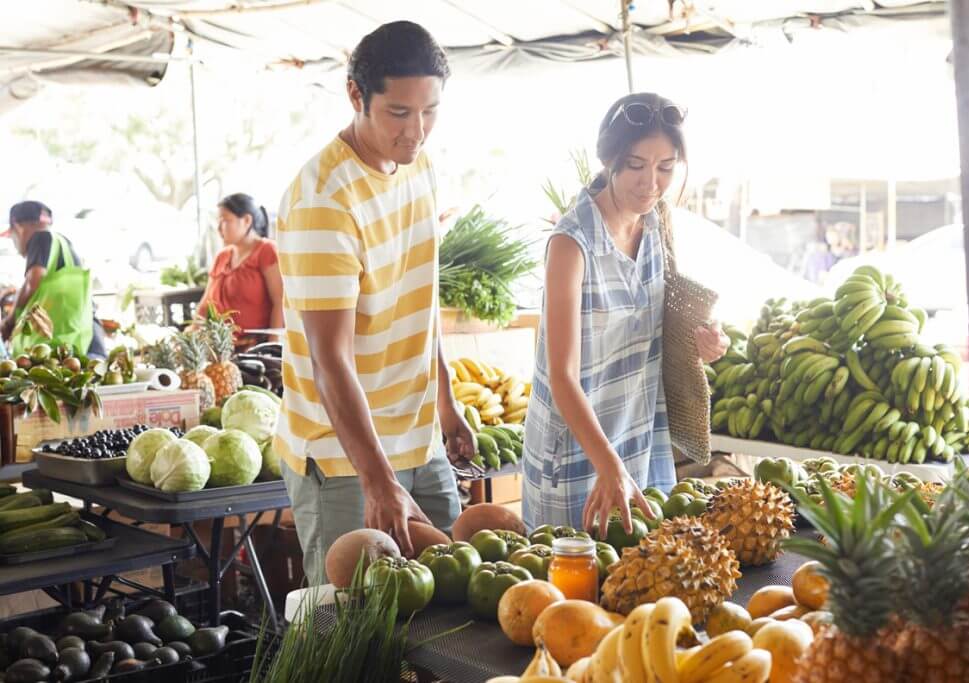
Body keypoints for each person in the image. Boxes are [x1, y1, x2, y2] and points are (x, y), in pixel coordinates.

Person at [273, 21, 475, 581]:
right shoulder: (324, 201)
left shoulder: (420, 167)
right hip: (345, 459)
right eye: (399, 113)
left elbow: (420, 292)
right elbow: (328, 358)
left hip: (417, 437)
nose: (416, 132)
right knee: (350, 634)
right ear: (356, 96)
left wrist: (445, 398)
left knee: (449, 607)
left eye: (429, 111)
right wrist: (375, 477)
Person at [521, 93, 730, 536]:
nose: (650, 182)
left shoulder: (656, 226)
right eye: (636, 164)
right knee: (570, 592)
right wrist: (607, 465)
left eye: (665, 167)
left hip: (640, 441)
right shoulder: (571, 245)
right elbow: (561, 376)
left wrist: (705, 341)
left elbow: (658, 323)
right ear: (609, 158)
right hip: (579, 454)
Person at [0, 201, 105, 358]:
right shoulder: (63, 243)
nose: (15, 244)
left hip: (63, 346)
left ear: (18, 227)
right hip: (88, 336)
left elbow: (33, 281)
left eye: (12, 236)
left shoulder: (40, 237)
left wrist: (9, 322)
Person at [195, 193, 283, 345]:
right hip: (219, 347)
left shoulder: (266, 250)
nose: (219, 228)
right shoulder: (222, 257)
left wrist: (273, 346)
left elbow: (280, 302)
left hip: (255, 348)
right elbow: (205, 305)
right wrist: (192, 331)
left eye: (225, 221)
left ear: (247, 221)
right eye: (218, 221)